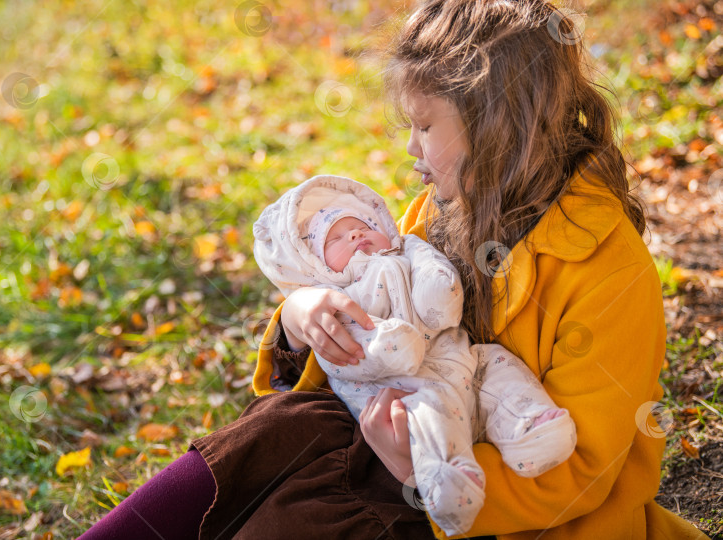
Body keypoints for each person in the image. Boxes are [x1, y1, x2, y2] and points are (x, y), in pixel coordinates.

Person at [79, 0, 710, 538]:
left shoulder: (607, 269)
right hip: (401, 432)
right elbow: (380, 323)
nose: (410, 149)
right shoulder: (439, 213)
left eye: (425, 126)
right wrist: (301, 321)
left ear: (498, 129)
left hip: (496, 509)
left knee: (301, 515)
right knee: (278, 431)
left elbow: (586, 471)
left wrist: (419, 474)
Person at [251, 174, 576, 534]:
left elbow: (435, 276)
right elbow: (344, 355)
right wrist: (384, 343)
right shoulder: (340, 298)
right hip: (403, 387)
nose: (355, 236)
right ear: (317, 266)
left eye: (360, 226)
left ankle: (530, 428)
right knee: (430, 412)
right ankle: (448, 477)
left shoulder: (407, 248)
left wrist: (439, 293)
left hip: (460, 358)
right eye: (336, 239)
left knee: (499, 366)